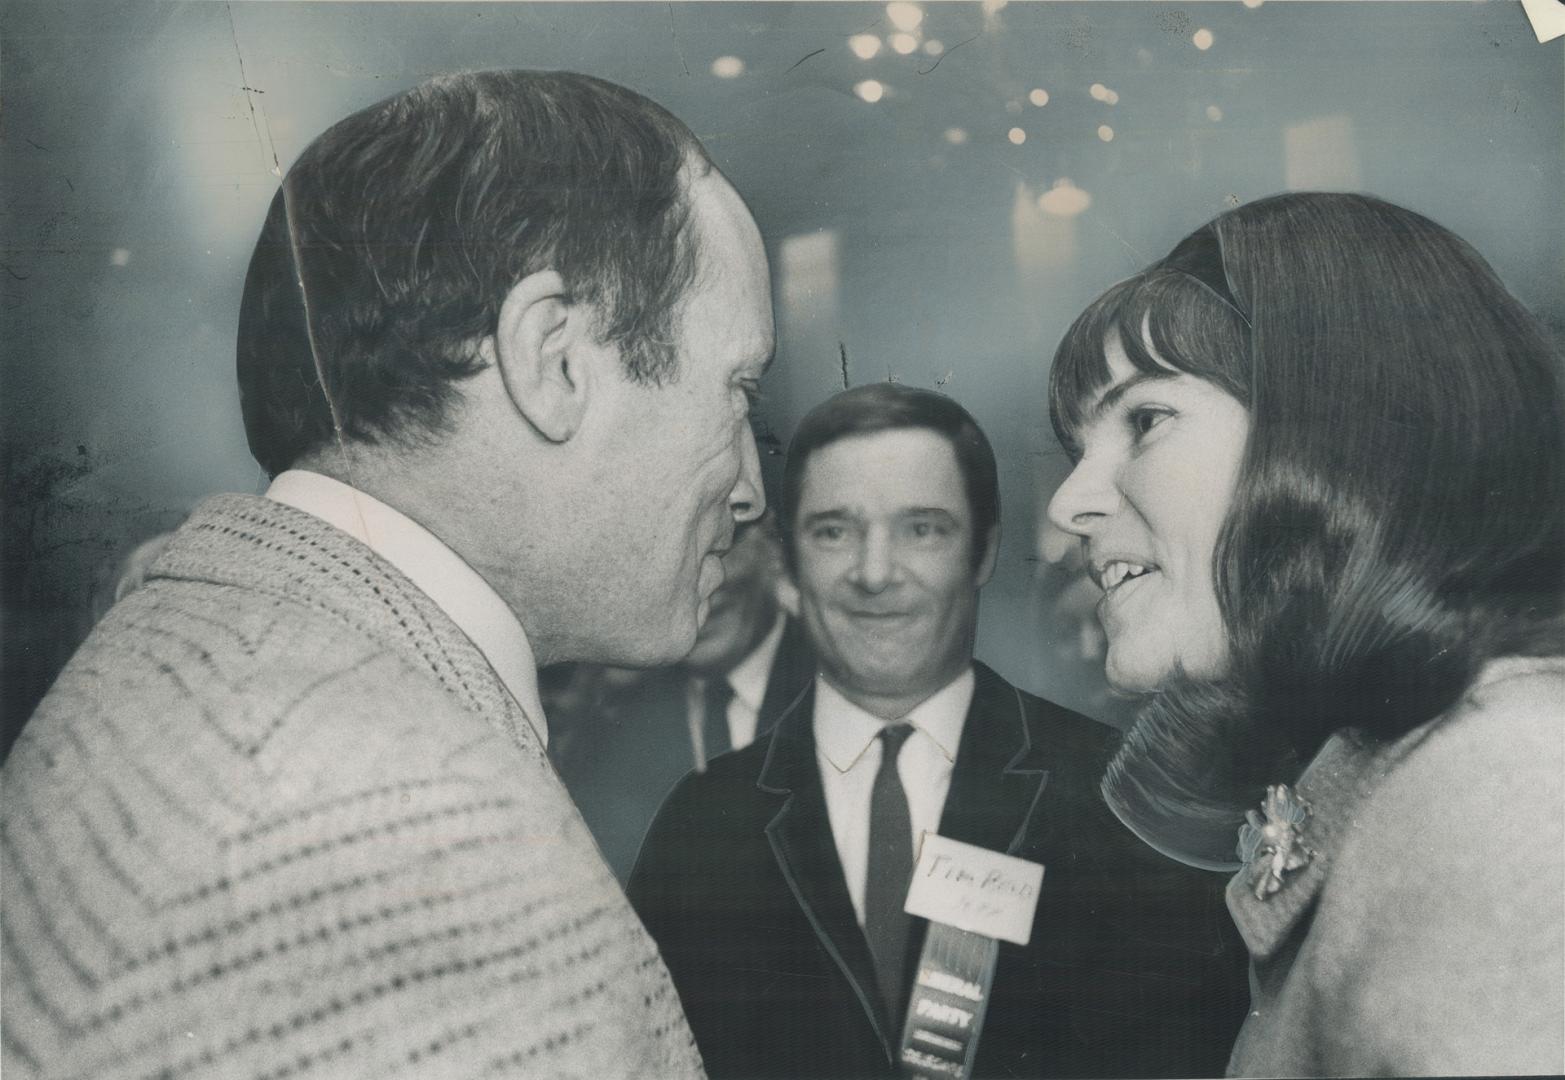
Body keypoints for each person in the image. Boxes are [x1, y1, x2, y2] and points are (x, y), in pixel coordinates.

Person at [1, 70, 773, 1078]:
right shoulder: (416, 838)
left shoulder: (195, 646)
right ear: (554, 360)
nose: (754, 485)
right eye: (738, 392)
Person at [1044, 192, 1564, 1077]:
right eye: (1076, 449)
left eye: (1144, 420)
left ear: (1335, 433)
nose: (1068, 503)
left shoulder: (1502, 782)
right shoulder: (1439, 768)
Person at [629, 383, 1248, 1079]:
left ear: (983, 550)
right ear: (790, 561)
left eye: (921, 529)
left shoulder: (1122, 799)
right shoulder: (699, 824)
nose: (874, 573)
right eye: (833, 530)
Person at [552, 511, 815, 881]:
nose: (695, 582)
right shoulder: (611, 725)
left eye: (719, 544)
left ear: (771, 545)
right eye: (653, 551)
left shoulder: (844, 687)